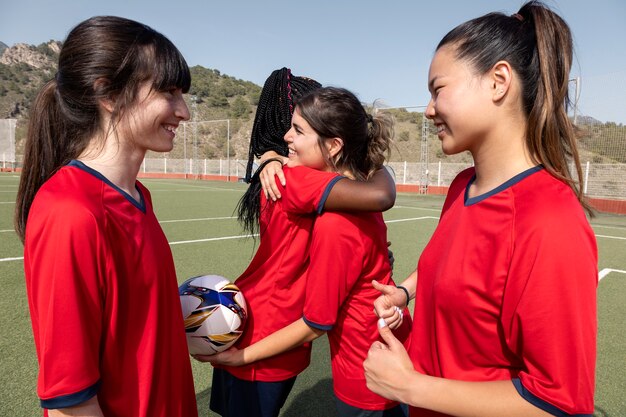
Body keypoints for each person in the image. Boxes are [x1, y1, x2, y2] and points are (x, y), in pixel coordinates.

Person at [363, 2, 598, 416]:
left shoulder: (549, 220)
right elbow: (461, 268)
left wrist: (410, 387)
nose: (429, 109)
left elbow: (558, 403)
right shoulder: (462, 187)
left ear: (498, 81)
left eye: (438, 90)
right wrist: (405, 293)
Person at [14, 16, 197, 417]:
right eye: (168, 92)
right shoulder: (70, 212)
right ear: (108, 94)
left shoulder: (137, 196)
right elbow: (70, 400)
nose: (183, 111)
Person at [200, 87, 412, 417]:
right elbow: (380, 195)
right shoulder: (322, 188)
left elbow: (379, 199)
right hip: (273, 329)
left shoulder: (313, 193)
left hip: (269, 332)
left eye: (298, 129)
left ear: (334, 145)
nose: (287, 137)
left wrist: (268, 158)